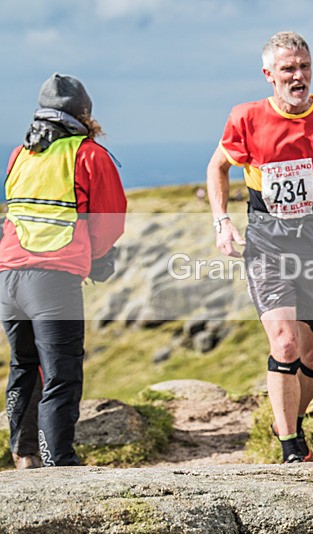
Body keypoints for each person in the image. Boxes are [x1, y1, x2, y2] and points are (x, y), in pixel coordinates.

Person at [206, 31, 313, 463]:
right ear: (269, 75)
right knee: (284, 344)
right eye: (288, 69)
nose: (298, 76)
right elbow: (217, 167)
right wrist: (222, 221)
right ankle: (290, 447)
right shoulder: (246, 117)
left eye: (304, 67)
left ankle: (291, 420)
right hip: (266, 238)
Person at [1, 73, 127, 467]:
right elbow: (110, 223)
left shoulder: (21, 154)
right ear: (84, 114)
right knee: (61, 373)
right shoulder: (89, 154)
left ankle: (24, 456)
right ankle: (59, 462)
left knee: (23, 366)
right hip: (52, 281)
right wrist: (95, 257)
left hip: (7, 277)